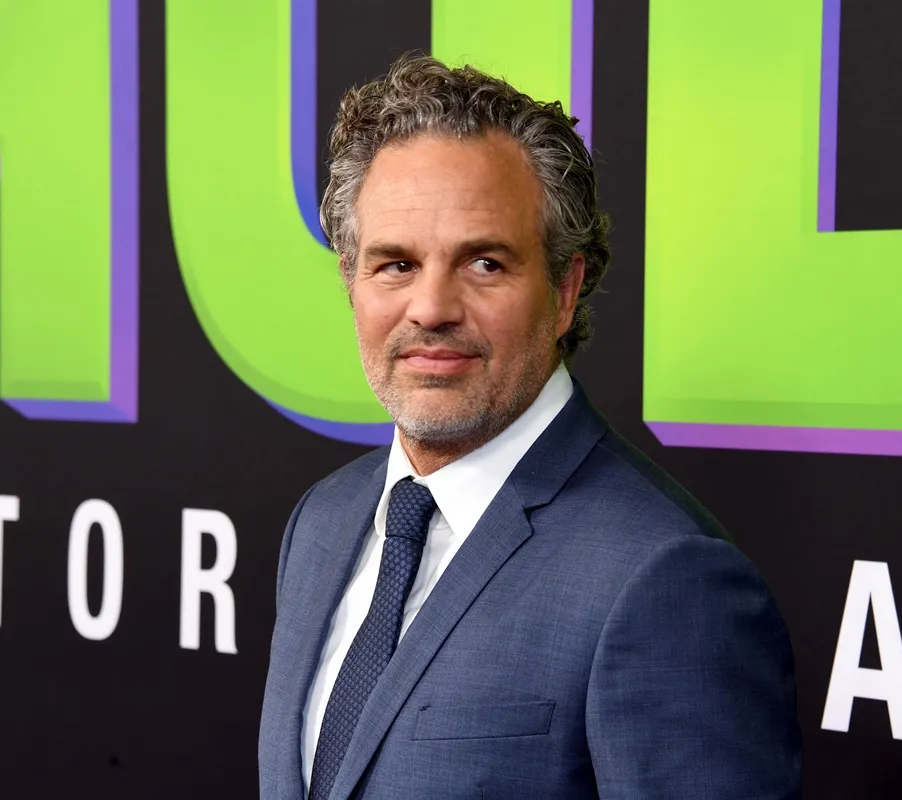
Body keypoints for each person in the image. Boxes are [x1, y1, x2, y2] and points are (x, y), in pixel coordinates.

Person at [259, 53, 802, 800]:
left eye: (483, 263)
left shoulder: (663, 578)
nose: (431, 308)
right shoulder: (322, 522)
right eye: (395, 264)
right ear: (351, 279)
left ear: (566, 288)